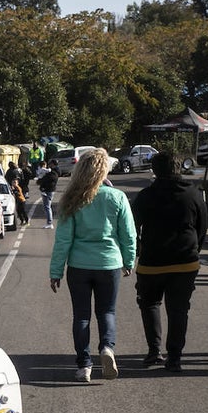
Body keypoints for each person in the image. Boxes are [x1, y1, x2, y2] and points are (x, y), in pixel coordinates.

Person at [48, 147, 137, 382]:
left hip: (79, 266)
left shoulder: (73, 199)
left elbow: (63, 240)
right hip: (109, 264)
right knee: (107, 311)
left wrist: (56, 271)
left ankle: (84, 365)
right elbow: (129, 234)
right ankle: (107, 348)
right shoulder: (117, 197)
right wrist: (129, 261)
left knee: (82, 316)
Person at [132, 152, 208, 372]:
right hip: (185, 262)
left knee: (149, 305)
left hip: (152, 261)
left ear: (155, 171)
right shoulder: (193, 194)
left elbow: (133, 226)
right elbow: (202, 227)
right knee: (178, 310)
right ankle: (175, 357)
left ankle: (154, 351)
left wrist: (138, 249)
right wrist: (195, 250)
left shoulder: (146, 195)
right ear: (179, 168)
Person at [36, 158, 59, 228]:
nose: (49, 165)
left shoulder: (53, 172)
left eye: (51, 164)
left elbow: (48, 179)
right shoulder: (52, 172)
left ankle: (49, 223)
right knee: (46, 206)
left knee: (47, 206)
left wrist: (41, 182)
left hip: (48, 190)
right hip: (48, 190)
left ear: (53, 164)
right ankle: (49, 222)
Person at [7, 161, 29, 227]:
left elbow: (17, 192)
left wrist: (13, 189)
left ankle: (26, 221)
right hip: (20, 200)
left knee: (22, 211)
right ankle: (23, 221)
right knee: (19, 211)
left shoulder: (10, 172)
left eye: (15, 182)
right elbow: (23, 178)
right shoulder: (19, 170)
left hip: (21, 201)